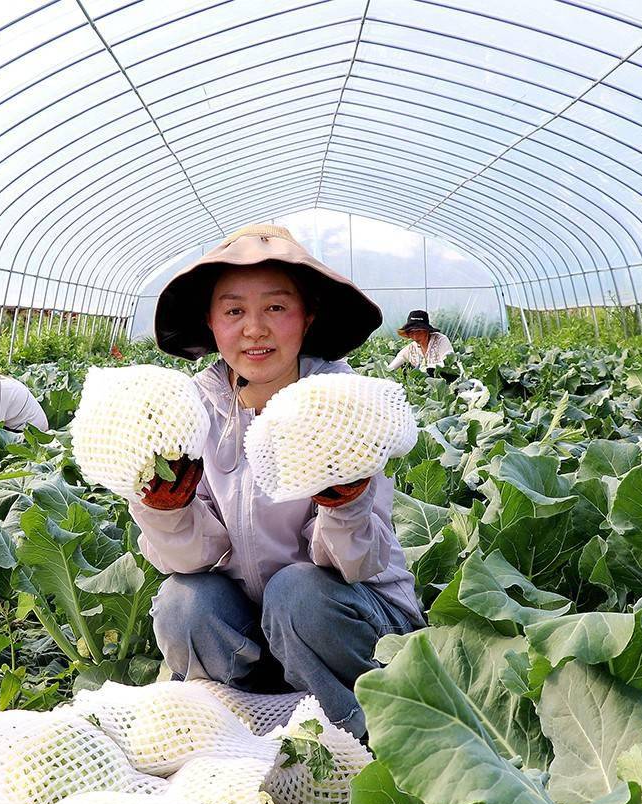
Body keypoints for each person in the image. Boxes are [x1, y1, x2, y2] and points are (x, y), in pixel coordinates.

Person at [131, 224, 425, 739]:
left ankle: (357, 738)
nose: (254, 329)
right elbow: (191, 561)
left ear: (308, 316)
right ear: (211, 322)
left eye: (275, 307)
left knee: (297, 592)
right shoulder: (191, 412)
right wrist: (167, 511)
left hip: (356, 623)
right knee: (184, 601)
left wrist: (344, 507)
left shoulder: (343, 405)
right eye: (234, 310)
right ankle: (237, 724)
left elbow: (358, 563)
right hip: (255, 628)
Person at [386, 309, 453, 376]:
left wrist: (424, 368)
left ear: (427, 331)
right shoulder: (411, 349)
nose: (415, 336)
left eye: (418, 331)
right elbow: (390, 368)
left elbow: (449, 363)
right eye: (411, 332)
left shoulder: (440, 340)